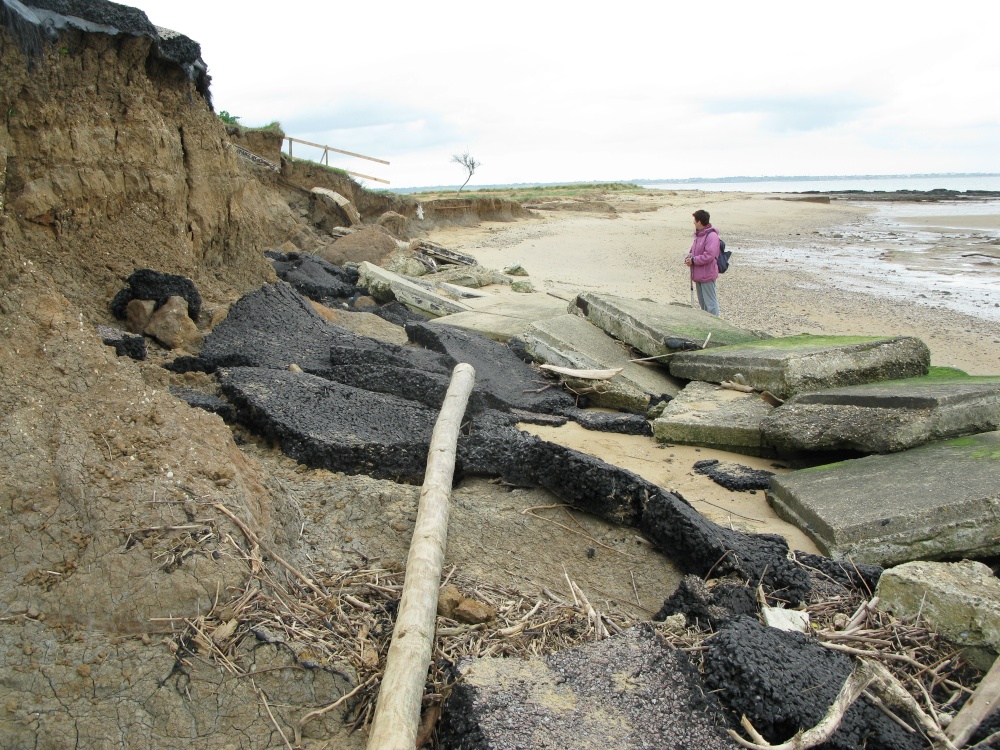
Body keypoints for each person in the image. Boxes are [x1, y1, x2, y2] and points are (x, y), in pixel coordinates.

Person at [684, 209, 721, 316]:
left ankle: (715, 324)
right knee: (703, 304)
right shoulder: (699, 236)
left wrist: (694, 260)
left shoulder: (711, 236)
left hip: (707, 274)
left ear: (699, 222)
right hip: (698, 274)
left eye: (695, 221)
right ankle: (706, 324)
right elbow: (693, 251)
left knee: (711, 303)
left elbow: (709, 255)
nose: (694, 223)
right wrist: (689, 258)